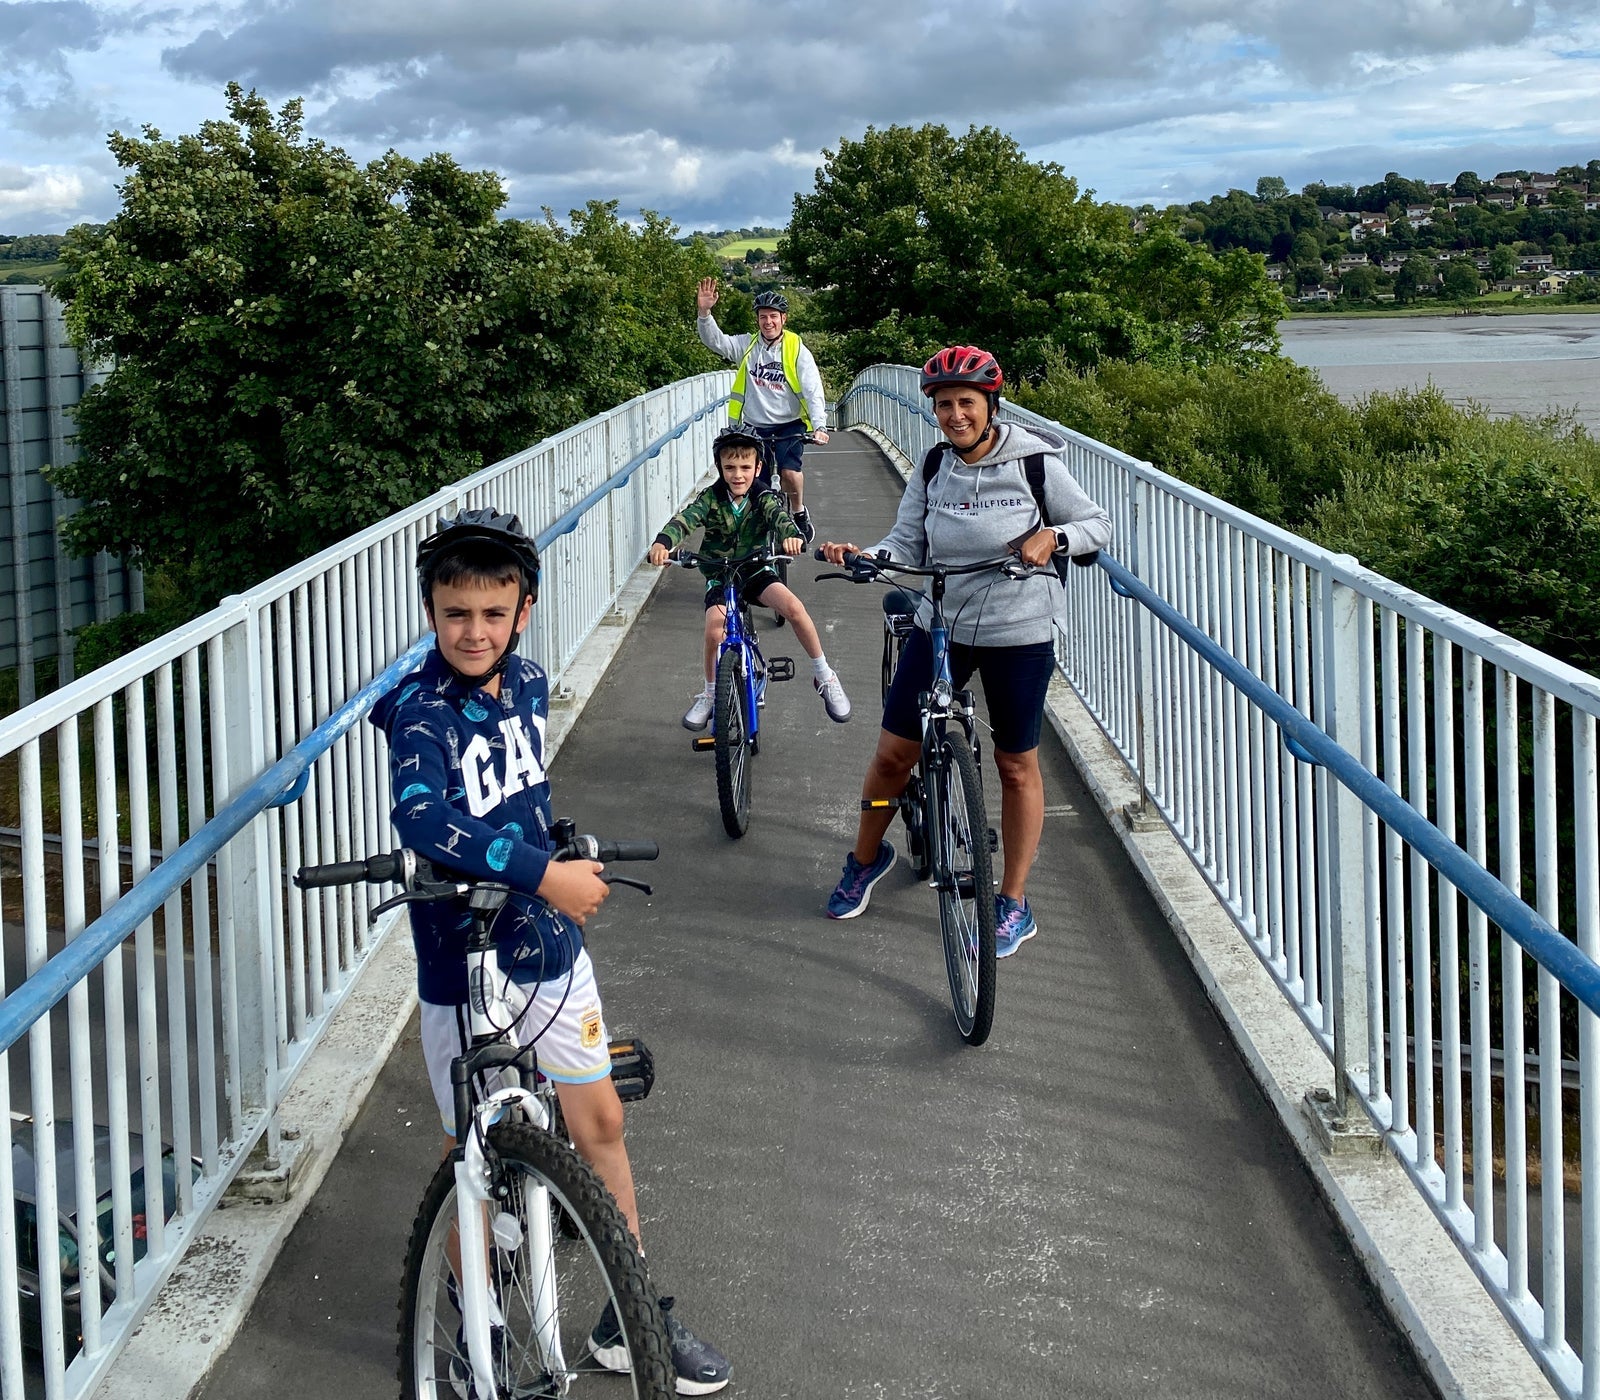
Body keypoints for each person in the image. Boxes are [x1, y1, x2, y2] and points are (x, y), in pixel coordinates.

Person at [372, 508, 731, 1396]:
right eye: (456, 613)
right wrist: (543, 872)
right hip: (461, 960)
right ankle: (473, 1313)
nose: (474, 631)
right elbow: (421, 816)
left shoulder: (528, 683)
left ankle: (631, 1311)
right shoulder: (418, 711)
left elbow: (522, 794)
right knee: (471, 1153)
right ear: (431, 611)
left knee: (599, 1122)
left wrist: (562, 851)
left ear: (522, 612)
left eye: (493, 614)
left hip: (546, 945)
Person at [819, 346, 1113, 956]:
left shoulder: (1034, 463)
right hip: (944, 621)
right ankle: (865, 859)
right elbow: (906, 538)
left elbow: (1097, 524)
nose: (956, 415)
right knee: (892, 756)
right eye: (945, 404)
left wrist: (1052, 535)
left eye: (967, 404)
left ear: (990, 406)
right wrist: (868, 557)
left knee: (1015, 766)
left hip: (1020, 629)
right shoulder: (933, 466)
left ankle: (1013, 902)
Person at [651, 423, 850, 728]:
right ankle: (709, 693)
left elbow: (779, 517)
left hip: (757, 568)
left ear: (758, 467)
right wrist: (663, 543)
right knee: (714, 632)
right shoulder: (711, 498)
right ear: (719, 467)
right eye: (729, 467)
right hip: (721, 573)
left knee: (794, 608)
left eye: (745, 467)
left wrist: (791, 536)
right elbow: (686, 519)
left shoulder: (763, 496)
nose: (738, 475)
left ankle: (824, 675)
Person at [695, 276, 829, 546]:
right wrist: (705, 313)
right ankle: (759, 538)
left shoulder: (796, 350)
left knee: (790, 474)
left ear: (784, 319)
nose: (768, 322)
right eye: (763, 317)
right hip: (755, 427)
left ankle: (800, 513)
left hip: (789, 424)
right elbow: (716, 342)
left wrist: (820, 426)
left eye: (773, 317)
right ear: (757, 320)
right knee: (758, 485)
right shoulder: (748, 346)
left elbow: (813, 389)